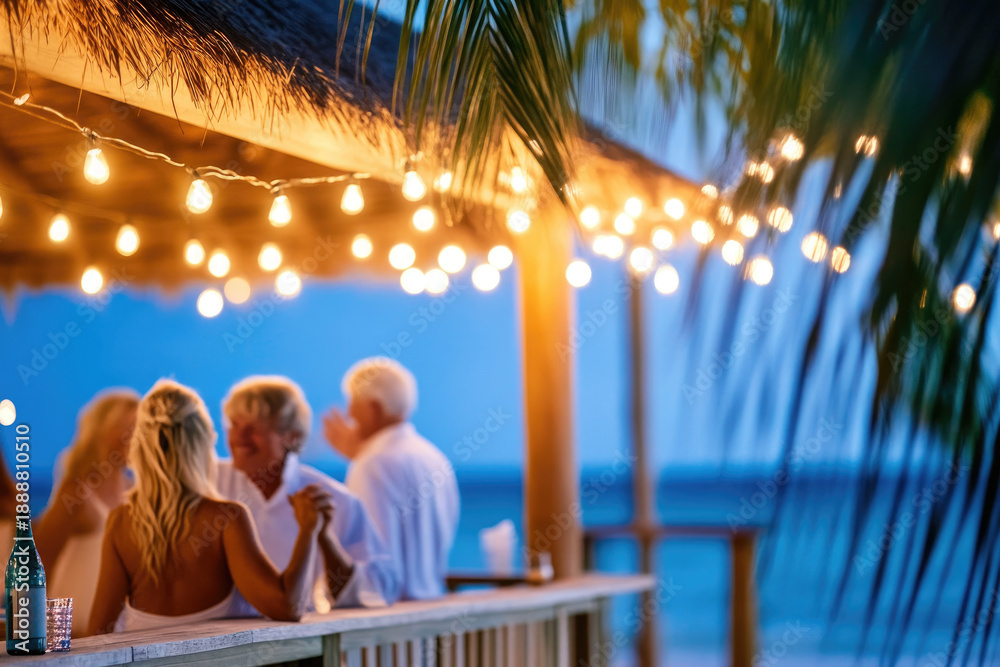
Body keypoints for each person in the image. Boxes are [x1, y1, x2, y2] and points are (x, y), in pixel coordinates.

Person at [88, 379, 332, 635]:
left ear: (141, 448)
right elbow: (287, 607)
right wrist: (308, 530)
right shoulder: (226, 520)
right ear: (202, 444)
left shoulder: (120, 523)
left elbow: (97, 631)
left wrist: (67, 644)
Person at [216, 376, 398, 610]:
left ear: (291, 437)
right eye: (234, 425)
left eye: (254, 428)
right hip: (219, 633)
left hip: (305, 631)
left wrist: (323, 537)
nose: (240, 437)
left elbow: (378, 590)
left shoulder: (335, 501)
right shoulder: (208, 485)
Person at [323, 357, 460, 601]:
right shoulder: (434, 458)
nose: (348, 414)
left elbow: (374, 563)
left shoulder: (372, 465)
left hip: (393, 616)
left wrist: (361, 459)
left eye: (353, 404)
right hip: (432, 606)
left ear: (373, 408)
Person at [35, 389, 139, 636]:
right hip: (72, 636)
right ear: (102, 430)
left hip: (115, 635)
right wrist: (44, 634)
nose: (135, 436)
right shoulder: (77, 493)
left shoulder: (134, 492)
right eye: (128, 428)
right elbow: (38, 562)